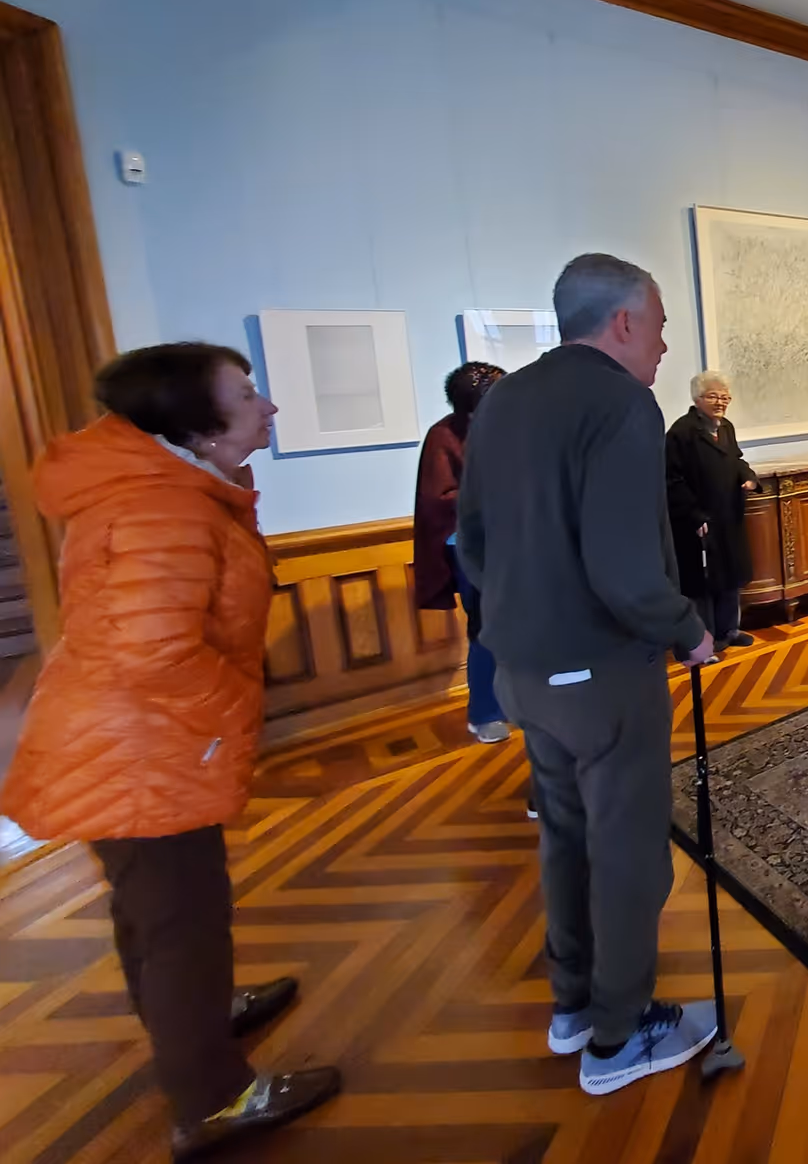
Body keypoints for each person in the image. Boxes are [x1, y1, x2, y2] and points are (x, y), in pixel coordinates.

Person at [0, 344, 340, 1158]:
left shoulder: (164, 489)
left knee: (155, 911)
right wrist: (231, 714)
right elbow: (153, 652)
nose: (268, 407)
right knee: (183, 922)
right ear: (198, 426)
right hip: (141, 749)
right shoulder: (165, 508)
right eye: (247, 394)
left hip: (133, 742)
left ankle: (193, 1016)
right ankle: (215, 1097)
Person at [457, 253, 718, 1097]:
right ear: (624, 324)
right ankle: (618, 1036)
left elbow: (473, 541)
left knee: (564, 835)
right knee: (629, 853)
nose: (666, 346)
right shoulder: (620, 403)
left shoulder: (505, 400)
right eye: (663, 326)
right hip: (601, 671)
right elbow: (623, 563)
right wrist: (687, 629)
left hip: (524, 671)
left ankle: (572, 1004)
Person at [413, 362, 510, 742]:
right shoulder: (444, 436)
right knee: (484, 629)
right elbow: (439, 498)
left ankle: (513, 701)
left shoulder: (506, 429)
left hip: (511, 546)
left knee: (515, 627)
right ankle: (485, 713)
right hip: (471, 549)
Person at [665, 370, 759, 657]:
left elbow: (737, 459)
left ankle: (728, 630)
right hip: (699, 522)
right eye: (714, 396)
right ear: (697, 398)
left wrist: (750, 478)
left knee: (729, 576)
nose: (721, 402)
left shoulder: (725, 427)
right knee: (702, 584)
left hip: (728, 516)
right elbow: (671, 480)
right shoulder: (681, 432)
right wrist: (695, 516)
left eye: (725, 397)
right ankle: (702, 641)